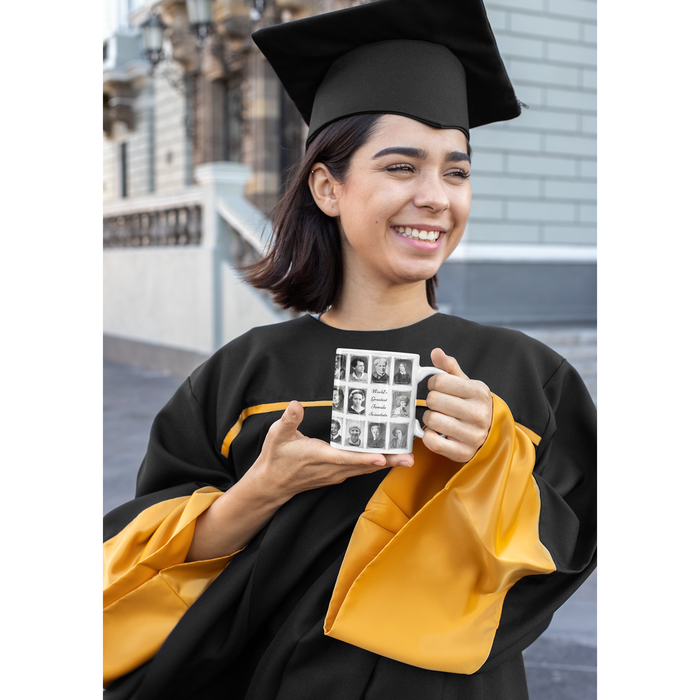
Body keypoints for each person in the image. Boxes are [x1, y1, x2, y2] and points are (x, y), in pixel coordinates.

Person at [103, 2, 596, 698]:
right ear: (328, 187)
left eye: (456, 173)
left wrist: (495, 461)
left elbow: (561, 555)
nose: (435, 197)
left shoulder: (523, 376)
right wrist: (257, 493)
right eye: (402, 167)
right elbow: (136, 572)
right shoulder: (243, 374)